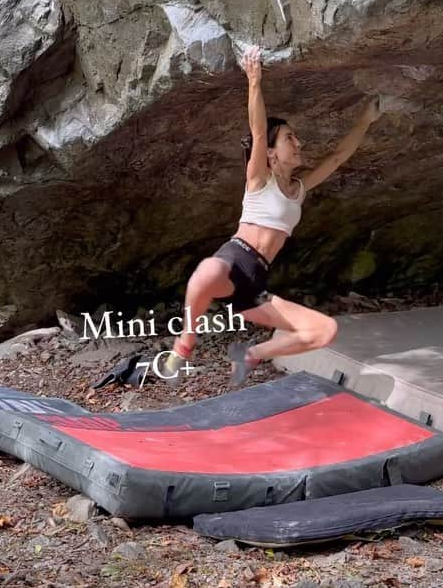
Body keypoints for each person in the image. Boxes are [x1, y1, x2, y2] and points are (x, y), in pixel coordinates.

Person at [160, 46, 382, 387]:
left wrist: (365, 121)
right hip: (233, 260)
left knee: (323, 330)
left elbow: (337, 158)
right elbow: (259, 131)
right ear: (272, 154)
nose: (299, 142)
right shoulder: (258, 180)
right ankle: (185, 344)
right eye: (290, 138)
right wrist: (254, 81)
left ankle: (251, 354)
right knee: (206, 272)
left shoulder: (299, 189)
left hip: (256, 281)